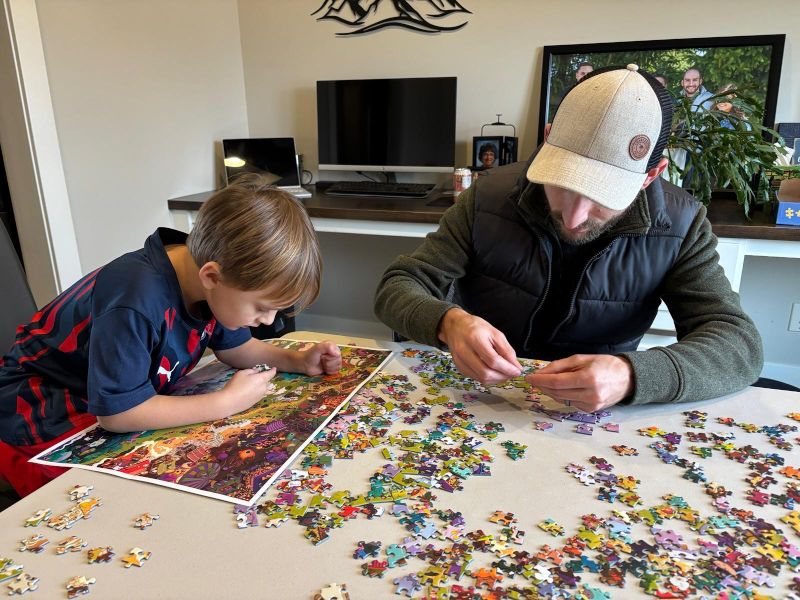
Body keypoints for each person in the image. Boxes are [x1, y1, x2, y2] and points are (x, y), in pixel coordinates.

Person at [375, 64, 762, 414]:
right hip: (479, 401)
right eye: (561, 183)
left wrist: (631, 375)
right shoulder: (487, 196)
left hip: (594, 419)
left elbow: (738, 345)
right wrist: (448, 322)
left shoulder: (681, 224)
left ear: (651, 174)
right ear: (548, 139)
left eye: (601, 195)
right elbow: (398, 285)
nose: (574, 217)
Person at [0, 174, 342, 496]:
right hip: (38, 417)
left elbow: (235, 349)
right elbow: (118, 414)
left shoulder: (211, 278)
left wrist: (297, 360)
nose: (267, 321)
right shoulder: (135, 299)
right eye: (262, 308)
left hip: (113, 401)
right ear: (212, 276)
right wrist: (225, 402)